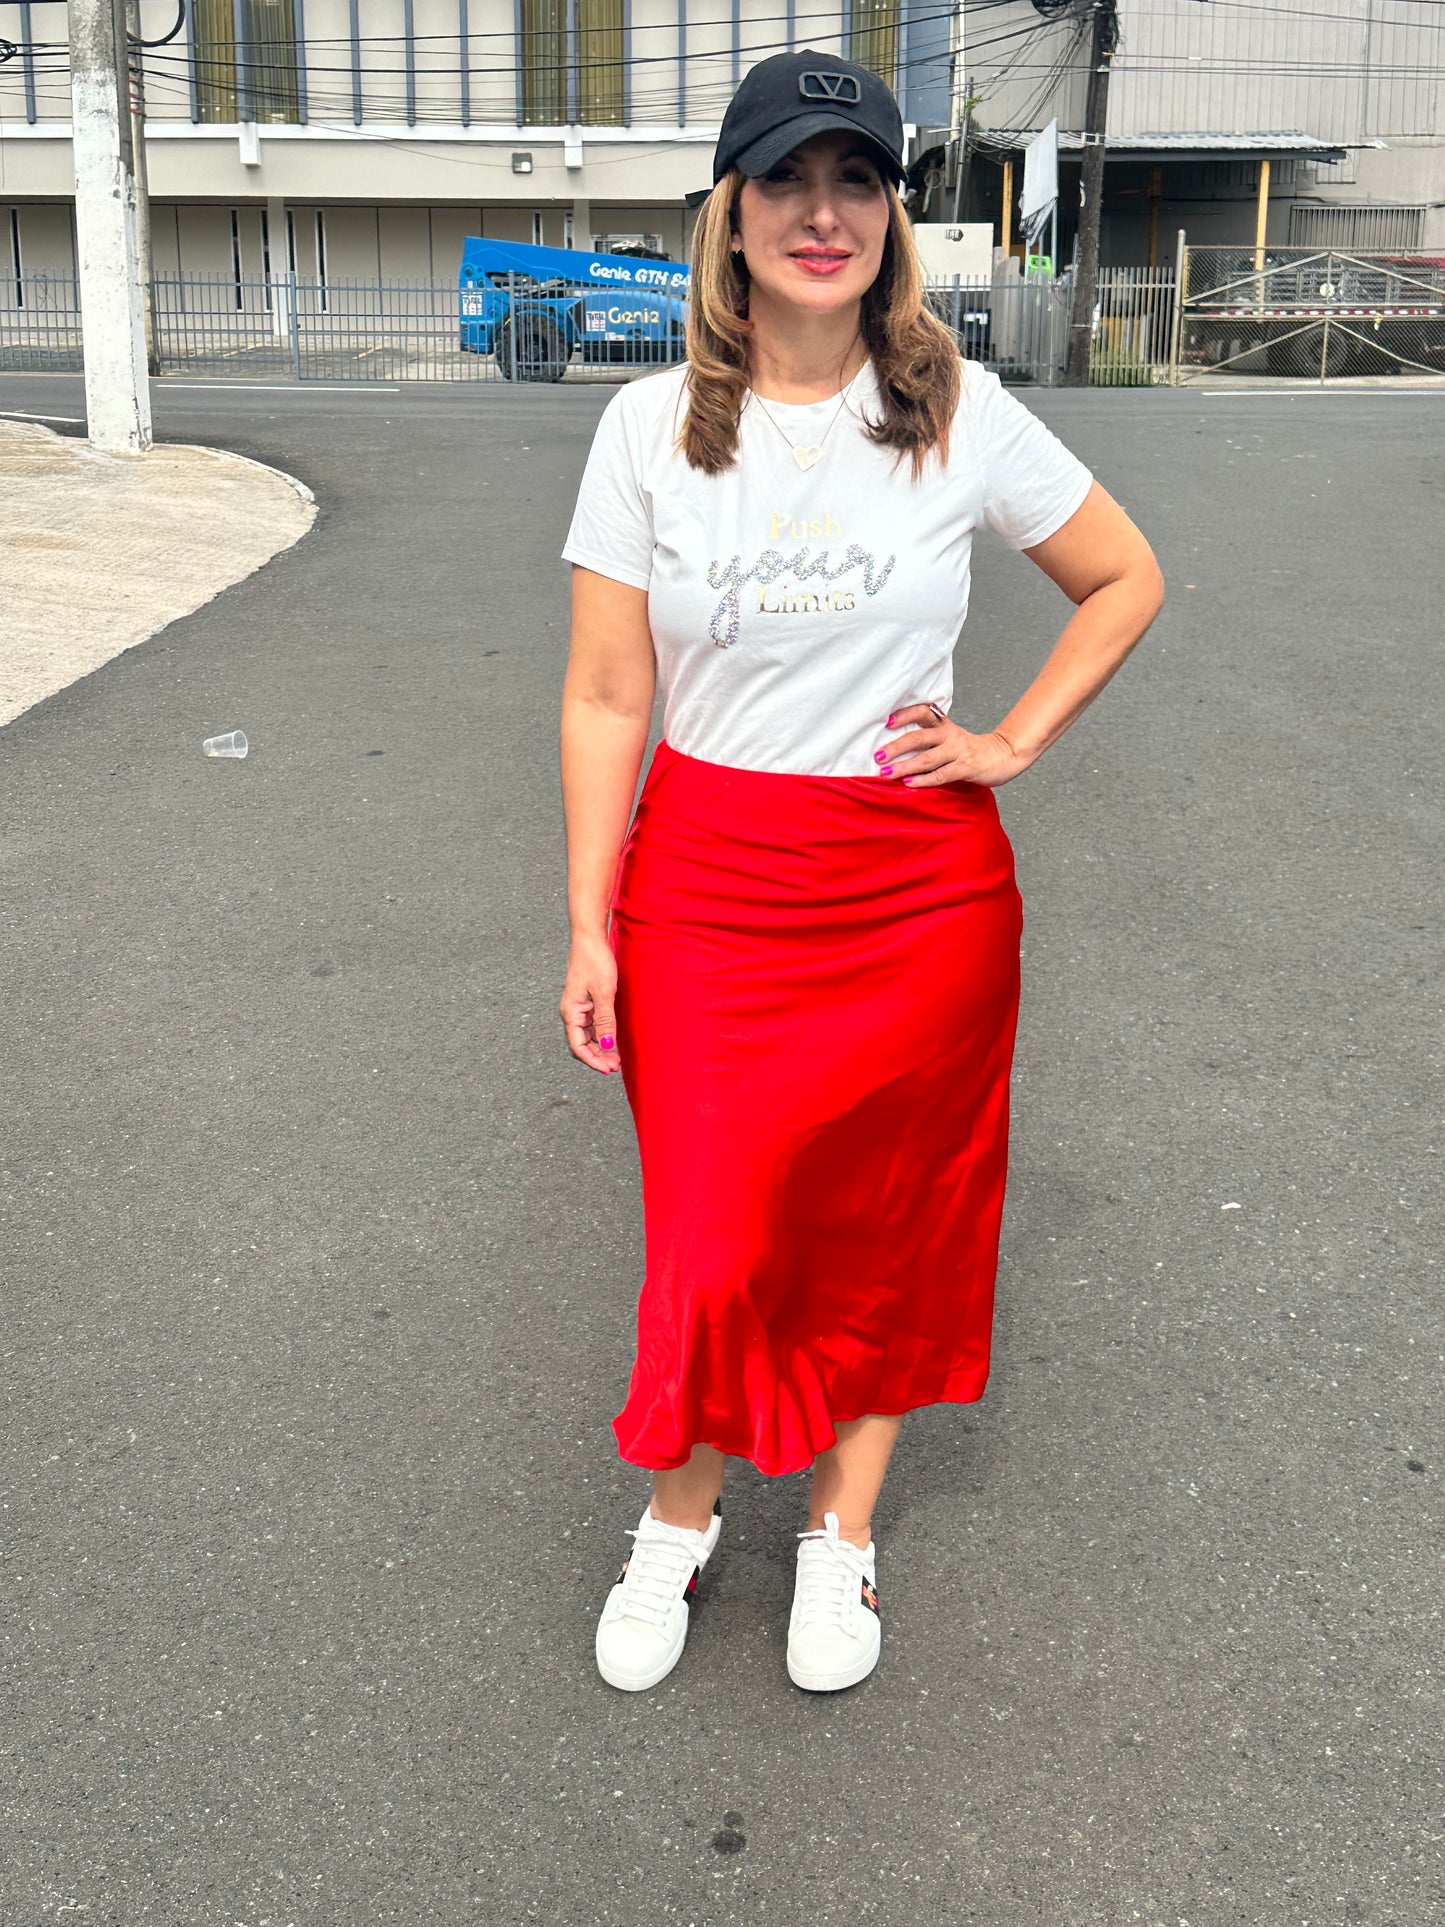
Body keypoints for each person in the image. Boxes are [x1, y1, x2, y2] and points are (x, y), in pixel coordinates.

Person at [558, 48, 1164, 1696]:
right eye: (786, 179)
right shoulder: (643, 428)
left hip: (914, 891)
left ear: (891, 216)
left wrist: (1010, 740)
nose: (820, 214)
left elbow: (1121, 575)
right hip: (707, 883)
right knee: (716, 1227)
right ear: (731, 212)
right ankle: (677, 1519)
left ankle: (843, 1531)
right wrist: (588, 922)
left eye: (855, 182)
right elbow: (607, 693)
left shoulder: (954, 409)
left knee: (897, 1219)